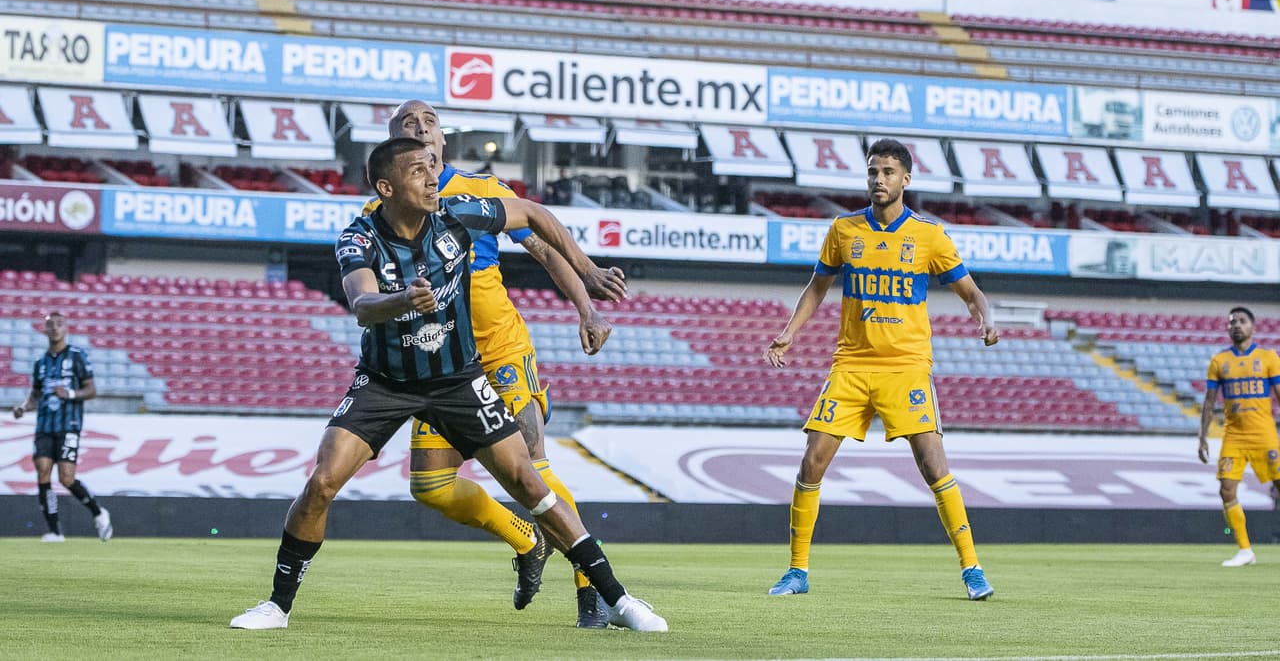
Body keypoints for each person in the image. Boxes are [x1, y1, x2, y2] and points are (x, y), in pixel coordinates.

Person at [230, 138, 666, 632]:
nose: (432, 177)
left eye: (432, 167)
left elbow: (534, 214)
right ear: (386, 187)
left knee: (528, 480)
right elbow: (361, 304)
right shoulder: (359, 237)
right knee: (323, 480)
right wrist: (401, 302)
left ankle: (617, 599)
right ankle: (277, 606)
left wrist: (586, 272)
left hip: (457, 379)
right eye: (418, 171)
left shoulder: (457, 214)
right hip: (386, 382)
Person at [377, 100, 621, 628]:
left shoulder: (484, 191)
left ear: (443, 139)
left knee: (531, 466)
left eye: (429, 123)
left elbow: (544, 249)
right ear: (394, 149)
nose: (420, 128)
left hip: (500, 351)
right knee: (431, 486)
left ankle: (592, 589)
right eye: (407, 126)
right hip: (440, 363)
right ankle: (528, 539)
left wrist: (587, 306)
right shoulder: (389, 207)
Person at [762, 138, 998, 601]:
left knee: (933, 465)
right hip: (851, 364)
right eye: (872, 171)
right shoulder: (843, 229)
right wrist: (790, 331)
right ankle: (796, 571)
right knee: (812, 459)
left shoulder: (930, 236)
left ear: (905, 179)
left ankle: (972, 568)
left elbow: (972, 293)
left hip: (907, 367)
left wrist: (986, 319)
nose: (878, 180)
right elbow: (817, 287)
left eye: (888, 172)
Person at [12, 311, 113, 543]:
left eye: (59, 324)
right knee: (43, 471)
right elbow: (35, 395)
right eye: (51, 325)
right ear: (45, 330)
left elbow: (92, 390)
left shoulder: (77, 356)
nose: (55, 328)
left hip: (69, 425)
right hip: (45, 426)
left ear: (66, 328)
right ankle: (55, 531)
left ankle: (98, 513)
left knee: (66, 478)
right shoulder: (41, 363)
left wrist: (69, 393)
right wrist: (23, 407)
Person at [1197, 306, 1280, 567]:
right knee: (1226, 489)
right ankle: (1245, 550)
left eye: (1242, 321)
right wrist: (1202, 438)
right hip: (1233, 436)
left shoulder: (1268, 358)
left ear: (1253, 327)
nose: (1236, 325)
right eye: (1232, 322)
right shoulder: (1219, 362)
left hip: (1264, 434)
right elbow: (1209, 402)